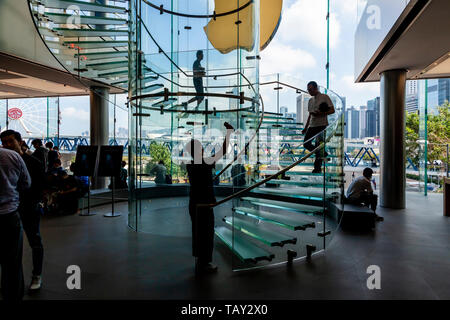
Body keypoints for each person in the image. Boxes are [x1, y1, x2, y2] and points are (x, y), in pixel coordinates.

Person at [184, 122, 234, 274]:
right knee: (206, 233)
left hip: (194, 203)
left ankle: (200, 260)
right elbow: (224, 150)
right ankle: (205, 263)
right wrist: (229, 132)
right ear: (200, 150)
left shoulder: (191, 164)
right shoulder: (206, 162)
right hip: (205, 204)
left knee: (198, 232)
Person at [1, 130, 46, 291]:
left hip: (28, 209)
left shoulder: (34, 163)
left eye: (10, 141)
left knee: (34, 241)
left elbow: (37, 187)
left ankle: (36, 275)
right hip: (11, 211)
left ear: (20, 142)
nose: (6, 145)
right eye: (4, 142)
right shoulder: (7, 160)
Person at [0, 146, 31, 301]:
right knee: (12, 262)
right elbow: (26, 183)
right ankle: (12, 295)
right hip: (9, 215)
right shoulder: (12, 156)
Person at [301, 81, 335, 173]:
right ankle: (322, 153)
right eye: (308, 90)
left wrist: (321, 113)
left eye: (310, 89)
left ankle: (317, 168)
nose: (309, 91)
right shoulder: (310, 100)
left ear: (316, 88)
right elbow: (310, 115)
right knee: (306, 144)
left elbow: (332, 110)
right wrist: (305, 127)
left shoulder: (324, 97)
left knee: (318, 146)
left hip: (322, 125)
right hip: (312, 125)